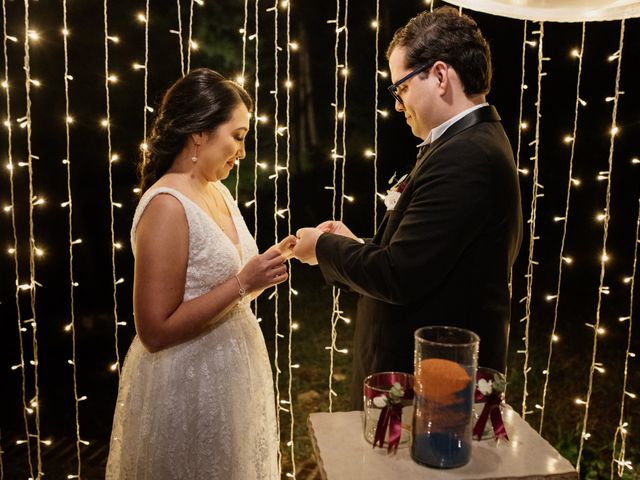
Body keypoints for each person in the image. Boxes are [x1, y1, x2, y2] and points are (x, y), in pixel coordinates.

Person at [293, 6, 523, 409]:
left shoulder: (467, 156)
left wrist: (322, 248)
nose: (398, 105)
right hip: (419, 374)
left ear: (438, 75)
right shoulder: (460, 145)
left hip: (434, 385)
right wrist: (355, 243)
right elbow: (422, 254)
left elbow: (399, 274)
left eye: (399, 88)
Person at [106, 68, 294, 479]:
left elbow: (230, 290)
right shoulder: (167, 205)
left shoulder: (218, 191)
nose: (242, 152)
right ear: (198, 133)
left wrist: (271, 262)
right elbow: (154, 330)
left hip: (234, 380)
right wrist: (244, 281)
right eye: (238, 136)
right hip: (186, 388)